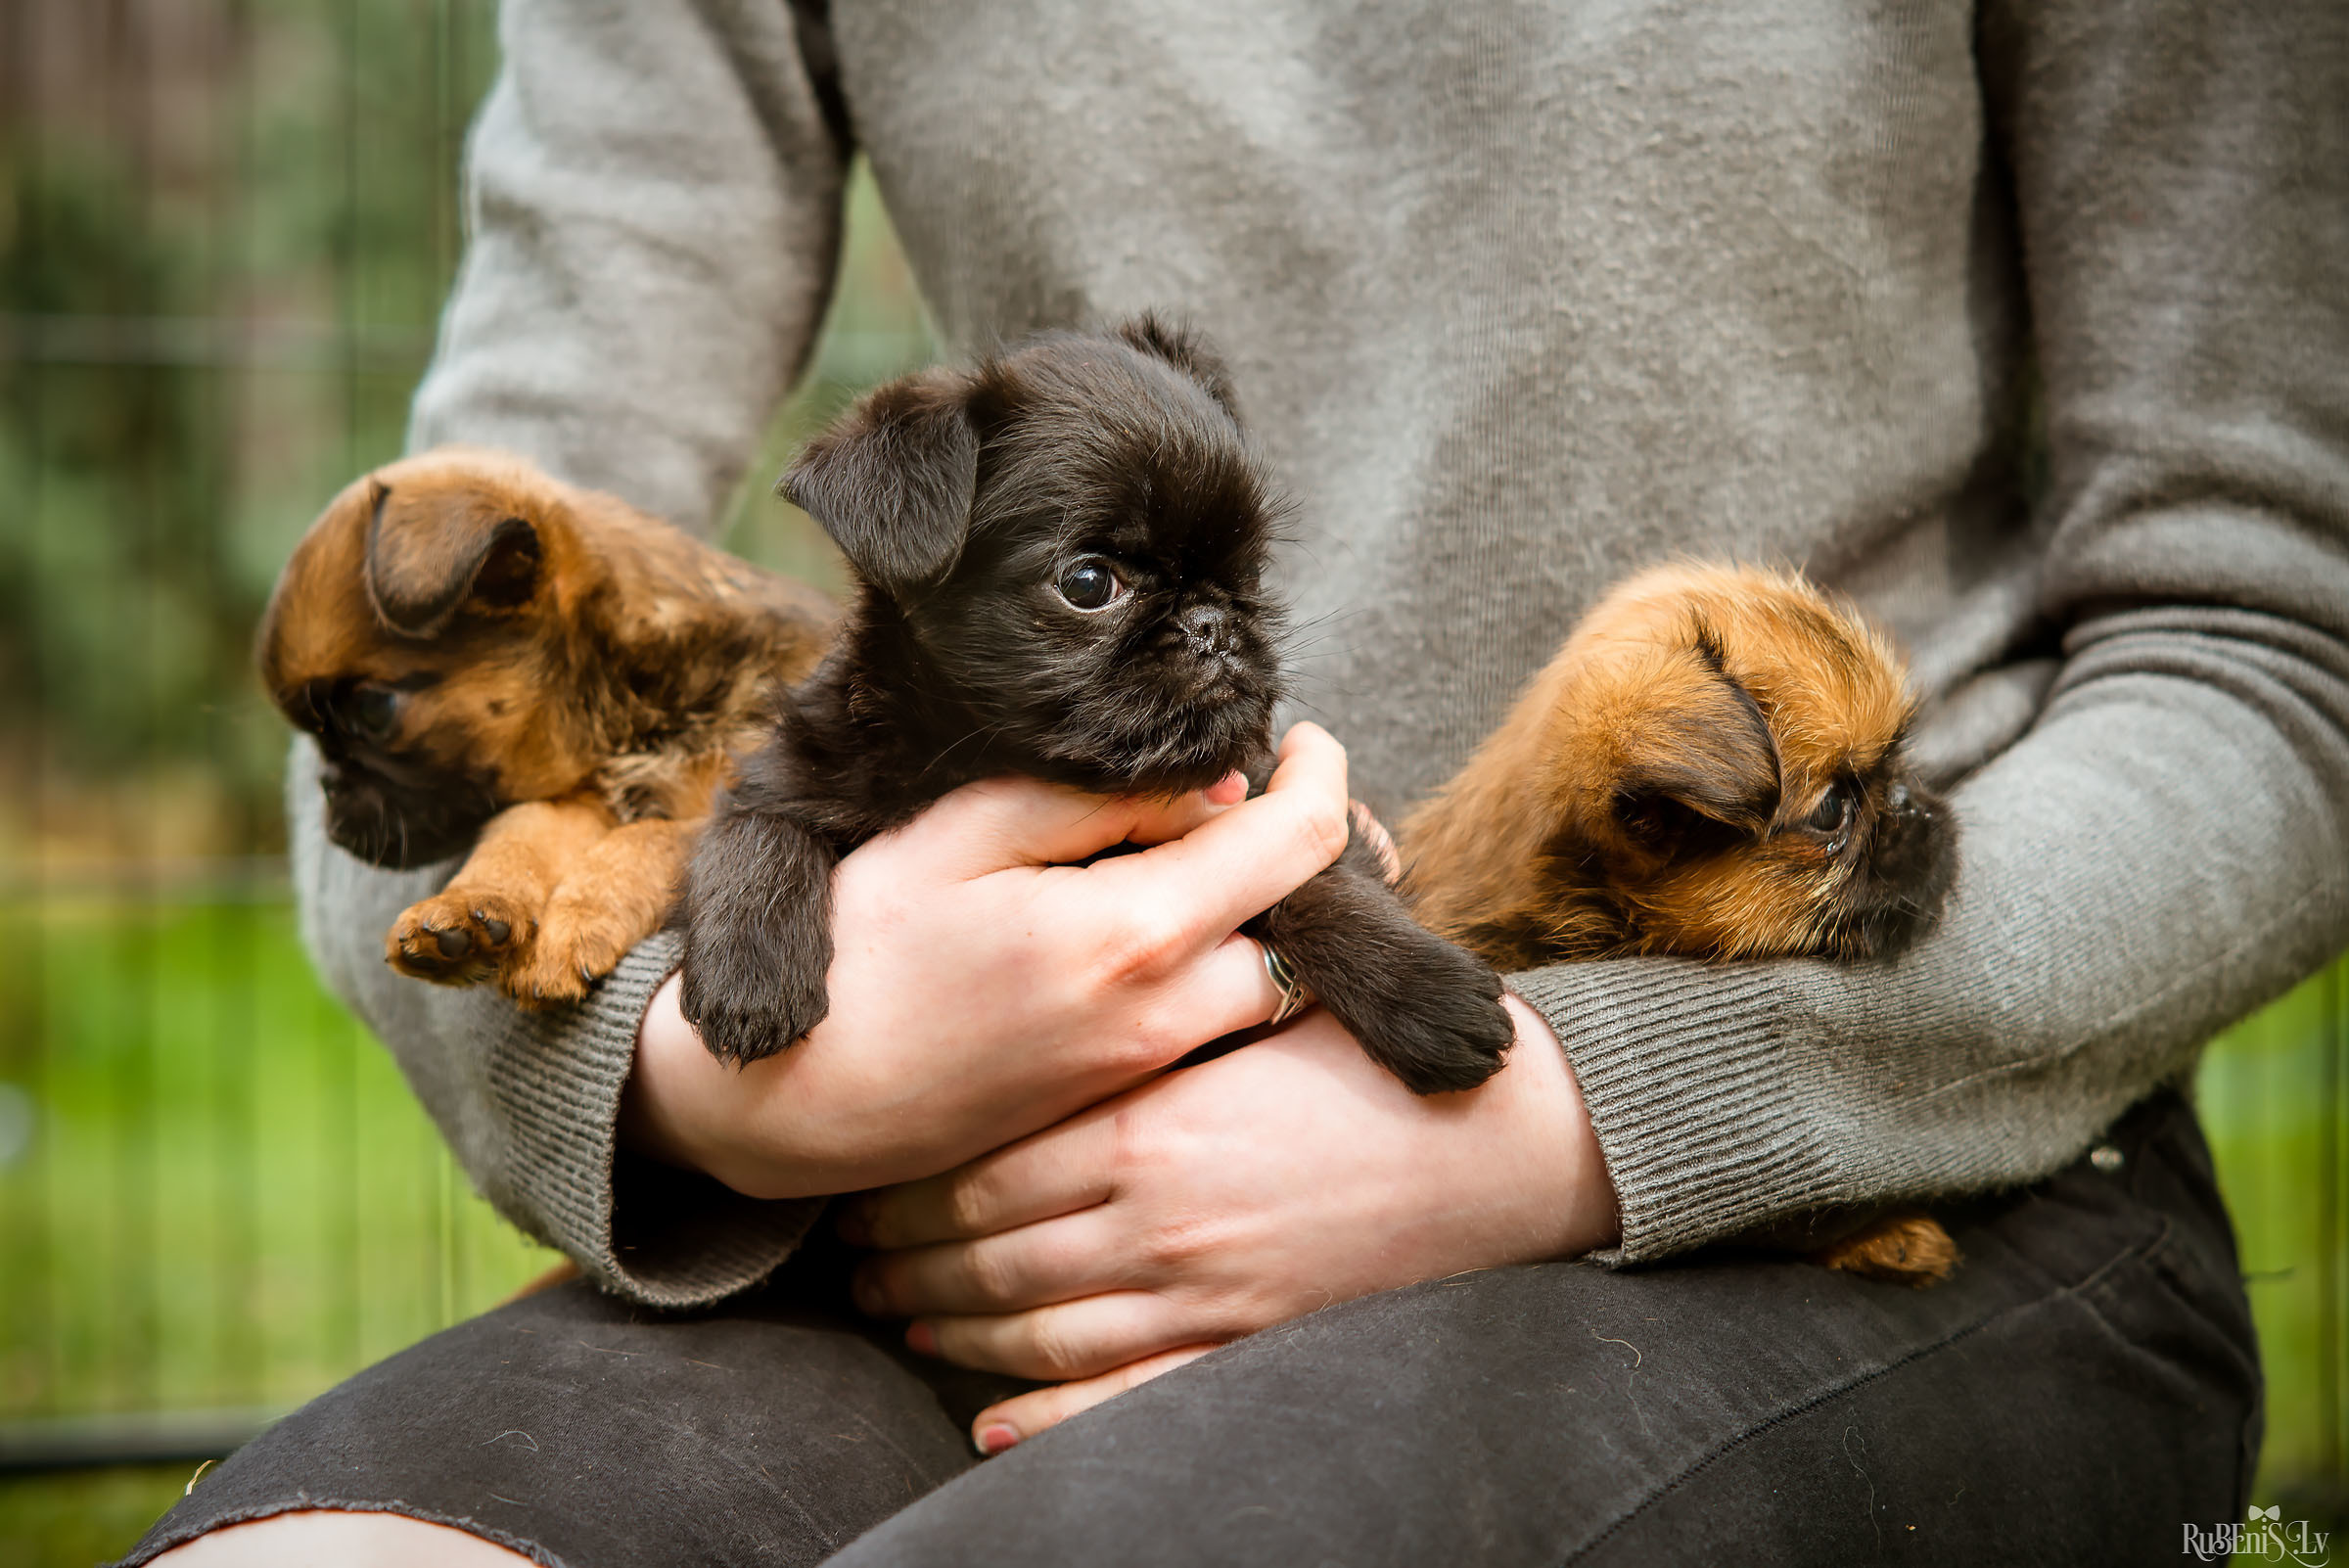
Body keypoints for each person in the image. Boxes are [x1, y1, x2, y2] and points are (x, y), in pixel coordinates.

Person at [131, 0, 2345, 1561]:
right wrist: (712, 1082)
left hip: (1886, 1143)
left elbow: (2284, 639)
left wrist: (1579, 1120)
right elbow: (434, 662)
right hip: (969, 1201)